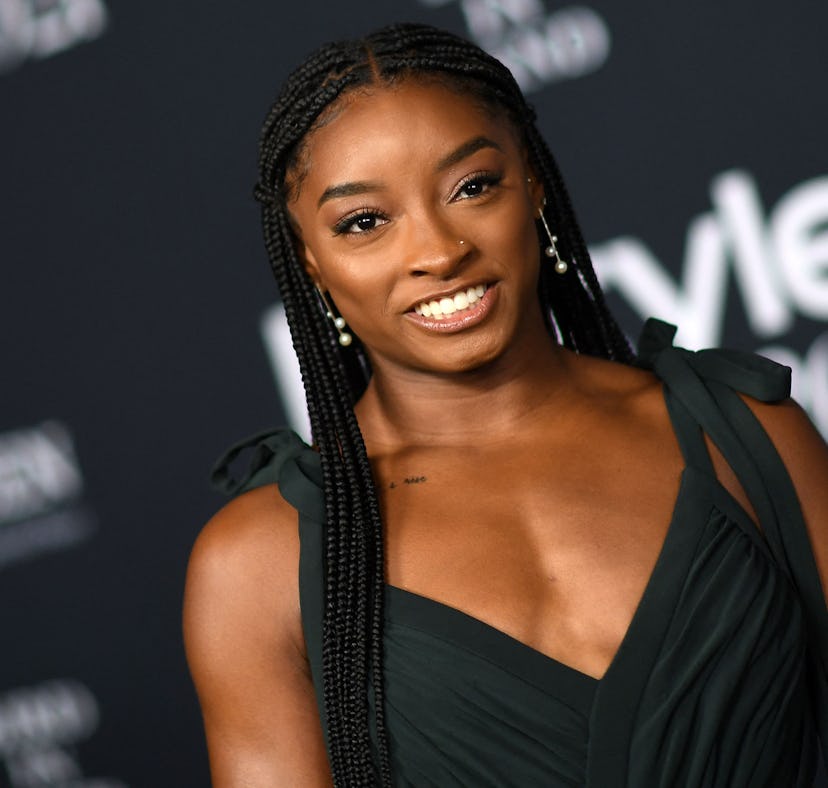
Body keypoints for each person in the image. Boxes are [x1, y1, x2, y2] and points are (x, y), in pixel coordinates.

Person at [182, 22, 828, 787]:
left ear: (535, 185)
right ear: (310, 263)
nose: (437, 251)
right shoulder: (260, 564)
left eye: (473, 186)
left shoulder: (744, 433)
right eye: (365, 222)